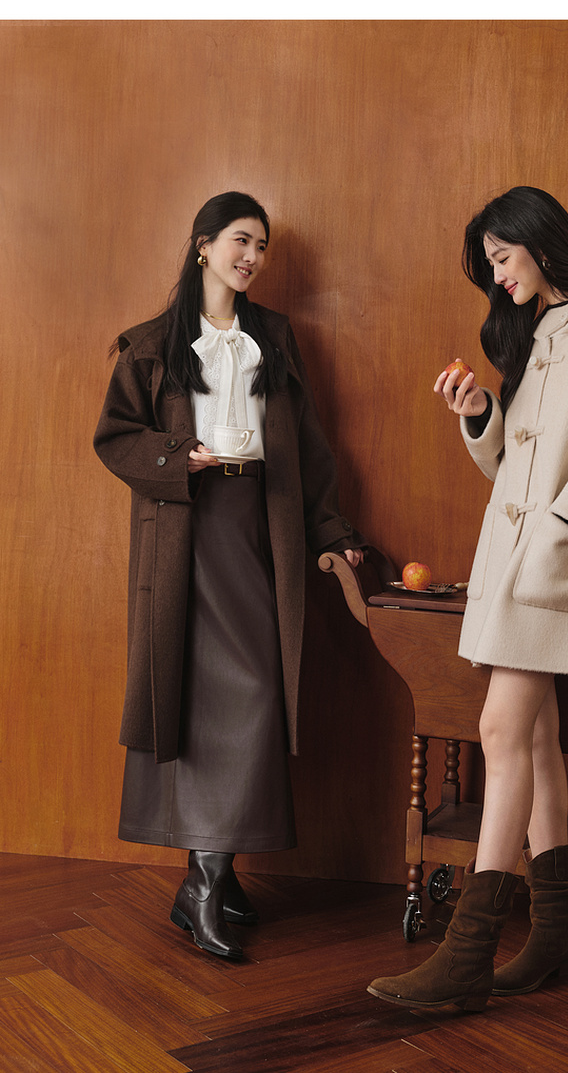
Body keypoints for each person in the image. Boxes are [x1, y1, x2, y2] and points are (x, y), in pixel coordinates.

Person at [368, 185, 568, 1011]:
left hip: (560, 563)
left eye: (502, 259)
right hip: (510, 567)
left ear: (540, 243)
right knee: (536, 737)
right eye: (491, 267)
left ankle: (467, 954)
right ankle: (554, 930)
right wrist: (481, 413)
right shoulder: (540, 329)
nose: (499, 278)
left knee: (501, 730)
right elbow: (513, 467)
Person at [94, 191, 362, 961]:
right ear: (203, 244)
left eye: (263, 245)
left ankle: (213, 874)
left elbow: (309, 445)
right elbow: (114, 438)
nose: (253, 257)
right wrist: (178, 456)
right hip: (187, 528)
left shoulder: (272, 336)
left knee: (255, 694)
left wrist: (332, 532)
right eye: (242, 240)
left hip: (259, 526)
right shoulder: (152, 344)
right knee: (200, 697)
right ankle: (207, 883)